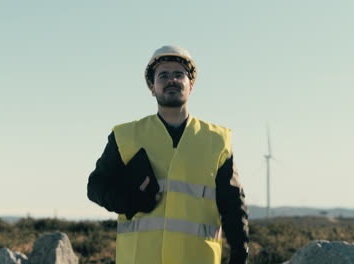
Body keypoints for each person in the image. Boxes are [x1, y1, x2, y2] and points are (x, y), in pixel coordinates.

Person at [87, 45, 249, 264]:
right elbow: (96, 187)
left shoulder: (217, 141)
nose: (171, 80)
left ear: (191, 85)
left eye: (178, 74)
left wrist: (240, 255)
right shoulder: (125, 136)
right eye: (163, 75)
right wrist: (128, 201)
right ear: (152, 87)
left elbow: (232, 205)